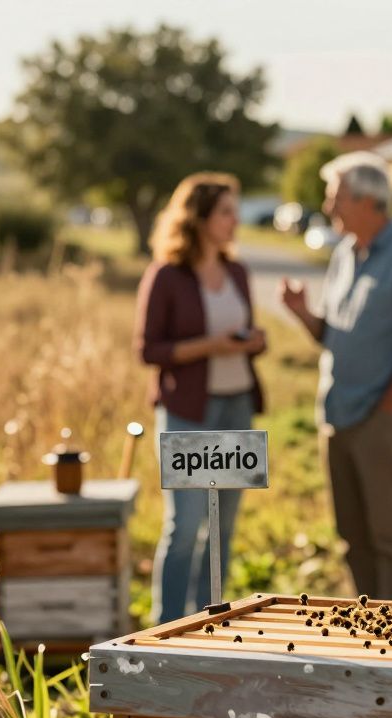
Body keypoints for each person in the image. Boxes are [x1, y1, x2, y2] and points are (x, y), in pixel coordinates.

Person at [278, 152, 392, 601]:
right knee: (352, 534)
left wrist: (386, 413)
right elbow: (332, 334)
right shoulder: (345, 254)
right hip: (336, 415)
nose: (328, 207)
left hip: (379, 420)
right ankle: (371, 628)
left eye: (336, 197)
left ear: (369, 201)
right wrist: (302, 313)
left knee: (390, 535)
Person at [134, 172, 266, 624]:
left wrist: (253, 341)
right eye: (226, 212)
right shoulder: (166, 275)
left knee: (222, 528)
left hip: (237, 406)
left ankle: (209, 621)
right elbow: (148, 350)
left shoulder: (238, 271)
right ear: (199, 217)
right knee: (185, 526)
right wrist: (212, 346)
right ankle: (169, 626)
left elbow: (245, 333)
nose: (235, 220)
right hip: (188, 411)